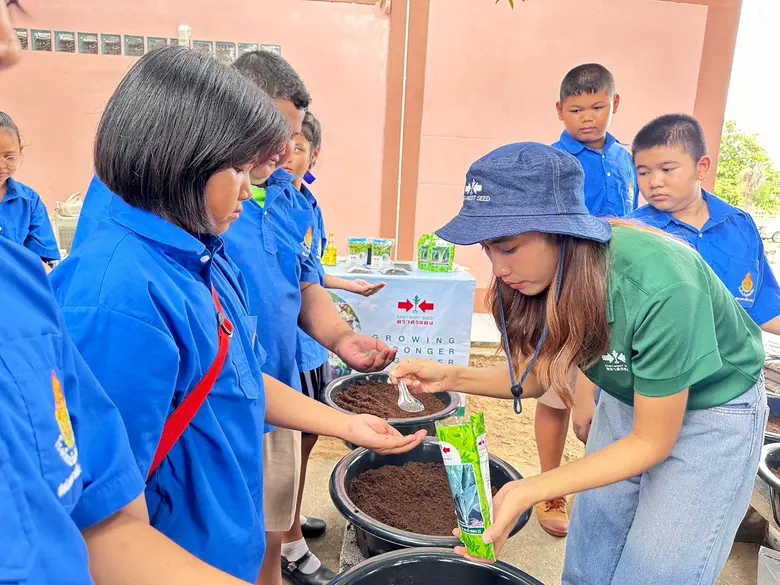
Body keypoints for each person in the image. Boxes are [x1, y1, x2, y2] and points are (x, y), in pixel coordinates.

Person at [50, 47, 423, 584]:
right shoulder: (115, 296)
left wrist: (347, 424)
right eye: (240, 169)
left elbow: (238, 377)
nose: (251, 188)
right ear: (181, 158)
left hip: (226, 545)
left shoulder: (203, 254)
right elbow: (105, 528)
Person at [391, 142, 767, 585]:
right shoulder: (540, 278)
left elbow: (651, 441)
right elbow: (537, 378)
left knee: (653, 571)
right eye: (489, 249)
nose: (498, 267)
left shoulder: (661, 286)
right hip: (631, 394)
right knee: (592, 557)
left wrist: (530, 488)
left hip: (712, 410)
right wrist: (450, 376)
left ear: (564, 231)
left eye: (508, 247)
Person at [226, 50, 396, 585]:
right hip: (218, 401)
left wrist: (342, 338)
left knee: (271, 523)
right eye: (274, 132)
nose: (284, 150)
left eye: (293, 136)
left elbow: (304, 284)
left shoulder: (289, 198)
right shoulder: (190, 201)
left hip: (274, 390)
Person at [533, 63, 639, 537]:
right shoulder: (552, 162)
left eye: (597, 107)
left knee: (614, 392)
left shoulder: (627, 159)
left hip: (623, 294)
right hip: (567, 292)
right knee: (558, 389)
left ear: (615, 103)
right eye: (576, 110)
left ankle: (601, 489)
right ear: (559, 110)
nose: (588, 118)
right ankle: (550, 488)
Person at [280, 110, 386, 580]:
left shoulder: (304, 204)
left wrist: (343, 311)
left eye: (298, 146)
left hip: (306, 348)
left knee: (301, 441)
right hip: (274, 354)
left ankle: (288, 515)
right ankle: (287, 540)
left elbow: (306, 273)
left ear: (314, 153)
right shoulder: (246, 208)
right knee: (282, 442)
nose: (286, 155)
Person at [630, 113, 780, 334]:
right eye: (643, 172)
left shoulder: (740, 225)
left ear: (702, 167)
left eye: (667, 169)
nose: (654, 182)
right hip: (666, 354)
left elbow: (764, 307)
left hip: (734, 355)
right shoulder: (632, 234)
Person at [0, 112, 61, 266]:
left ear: (20, 152)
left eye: (9, 157)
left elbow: (44, 260)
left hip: (17, 280)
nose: (1, 166)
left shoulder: (30, 201)